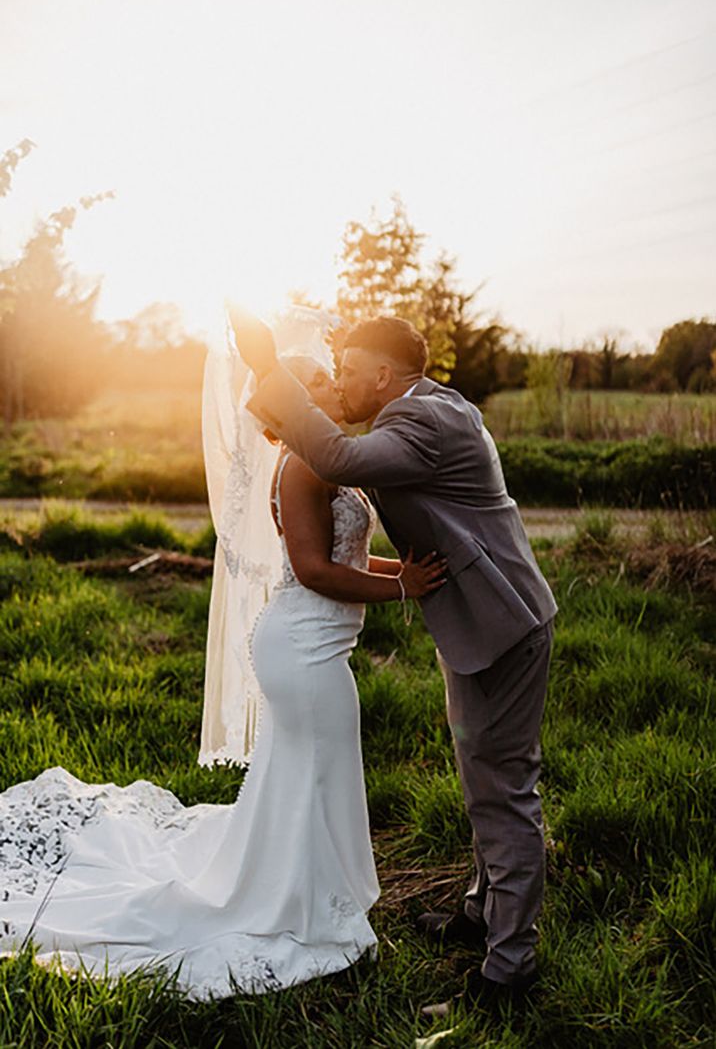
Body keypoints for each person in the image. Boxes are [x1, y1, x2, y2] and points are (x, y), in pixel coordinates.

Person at [0, 308, 444, 999]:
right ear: (294, 401)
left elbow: (348, 555)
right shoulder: (301, 467)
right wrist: (405, 592)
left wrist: (405, 574)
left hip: (314, 643)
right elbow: (314, 571)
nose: (332, 390)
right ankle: (298, 906)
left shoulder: (325, 462)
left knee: (311, 773)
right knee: (316, 769)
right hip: (302, 646)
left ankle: (310, 892)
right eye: (320, 381)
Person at [230, 307, 558, 1014]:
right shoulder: (430, 403)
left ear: (385, 375)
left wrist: (268, 369)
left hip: (500, 628)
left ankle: (509, 974)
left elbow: (341, 460)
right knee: (485, 778)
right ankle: (481, 912)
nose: (341, 382)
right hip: (481, 623)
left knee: (502, 792)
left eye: (348, 371)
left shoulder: (422, 423)